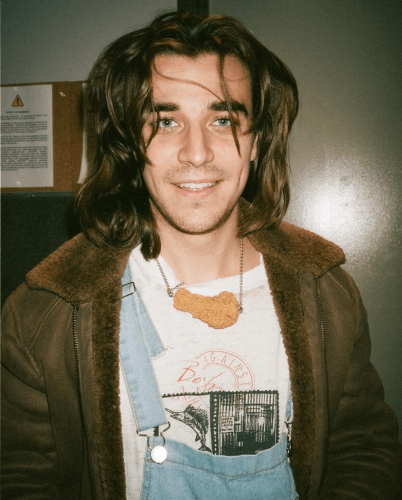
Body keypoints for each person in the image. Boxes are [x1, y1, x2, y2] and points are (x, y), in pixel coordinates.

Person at [1, 10, 400, 500]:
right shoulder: (46, 312)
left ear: (256, 142)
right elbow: (19, 477)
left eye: (223, 119)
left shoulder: (326, 292)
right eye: (166, 121)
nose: (197, 152)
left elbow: (363, 449)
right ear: (131, 141)